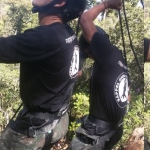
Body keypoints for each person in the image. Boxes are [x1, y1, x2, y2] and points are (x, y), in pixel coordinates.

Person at [0, 0, 86, 149]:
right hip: (57, 122)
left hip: (34, 129)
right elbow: (78, 72)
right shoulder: (68, 33)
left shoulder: (46, 37)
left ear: (59, 3)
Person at [68, 0, 130, 149]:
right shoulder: (118, 58)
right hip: (115, 129)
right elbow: (127, 96)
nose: (90, 56)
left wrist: (107, 4)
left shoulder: (105, 51)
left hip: (97, 133)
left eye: (89, 53)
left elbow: (84, 19)